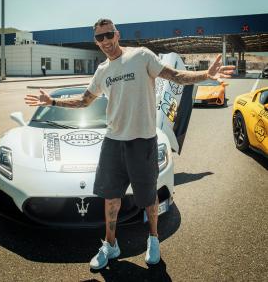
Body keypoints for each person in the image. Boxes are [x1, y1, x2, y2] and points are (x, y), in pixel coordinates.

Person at [24, 18, 235, 270]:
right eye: (99, 38)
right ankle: (111, 245)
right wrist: (53, 102)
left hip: (143, 141)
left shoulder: (141, 56)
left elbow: (175, 76)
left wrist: (205, 75)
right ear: (96, 41)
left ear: (117, 34)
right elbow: (84, 101)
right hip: (113, 143)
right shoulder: (102, 71)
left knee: (148, 198)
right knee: (111, 199)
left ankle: (153, 239)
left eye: (108, 35)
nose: (105, 41)